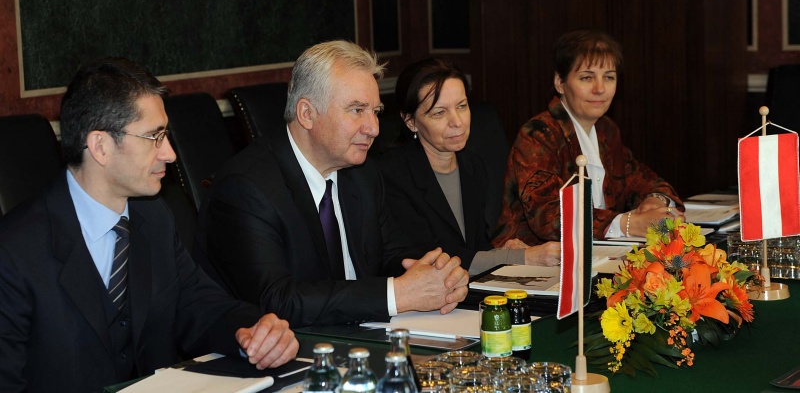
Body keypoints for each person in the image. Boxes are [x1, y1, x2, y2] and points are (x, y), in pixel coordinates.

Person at [0, 58, 298, 393]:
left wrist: (254, 330)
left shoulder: (153, 217)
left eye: (166, 134)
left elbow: (198, 305)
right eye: (154, 136)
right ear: (100, 146)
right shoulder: (14, 251)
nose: (169, 153)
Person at [200, 40, 469, 327]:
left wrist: (435, 275)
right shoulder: (246, 188)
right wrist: (396, 294)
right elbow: (275, 300)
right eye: (356, 110)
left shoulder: (362, 173)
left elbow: (391, 255)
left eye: (375, 112)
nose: (374, 129)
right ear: (307, 114)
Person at [494, 29, 684, 247]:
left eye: (609, 77)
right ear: (559, 82)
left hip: (598, 252)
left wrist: (655, 200)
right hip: (533, 262)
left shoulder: (606, 130)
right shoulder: (539, 134)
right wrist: (627, 224)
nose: (600, 89)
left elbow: (642, 180)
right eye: (586, 77)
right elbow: (548, 216)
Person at [377, 58, 560, 275]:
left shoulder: (471, 164)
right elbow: (432, 256)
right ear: (411, 121)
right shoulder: (391, 174)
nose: (457, 121)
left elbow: (474, 247)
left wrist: (501, 251)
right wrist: (520, 257)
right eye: (439, 113)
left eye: (462, 106)